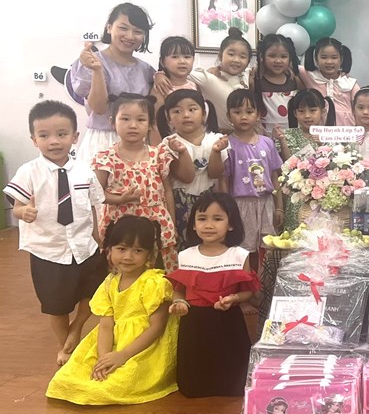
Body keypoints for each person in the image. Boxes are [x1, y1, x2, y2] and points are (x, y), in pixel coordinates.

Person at [6, 101, 107, 365]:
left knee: (95, 293)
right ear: (34, 139)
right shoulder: (28, 171)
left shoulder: (84, 171)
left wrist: (98, 237)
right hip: (49, 251)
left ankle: (77, 328)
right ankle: (66, 347)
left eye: (62, 134)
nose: (54, 141)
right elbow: (16, 207)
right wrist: (23, 212)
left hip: (84, 246)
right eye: (44, 135)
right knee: (56, 305)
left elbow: (94, 205)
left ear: (75, 136)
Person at [46, 215, 179, 405]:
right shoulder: (109, 284)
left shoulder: (154, 282)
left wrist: (122, 355)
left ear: (150, 255)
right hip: (115, 342)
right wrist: (104, 359)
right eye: (121, 249)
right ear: (109, 251)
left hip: (145, 347)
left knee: (118, 383)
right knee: (67, 378)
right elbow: (106, 326)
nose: (128, 257)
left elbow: (157, 328)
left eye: (138, 250)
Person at [166, 193, 258, 397]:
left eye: (217, 219)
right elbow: (179, 290)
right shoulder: (185, 256)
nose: (209, 225)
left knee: (232, 379)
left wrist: (234, 299)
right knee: (194, 380)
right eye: (202, 218)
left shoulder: (239, 255)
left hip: (228, 322)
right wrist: (179, 303)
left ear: (231, 224)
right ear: (193, 224)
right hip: (194, 324)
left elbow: (248, 291)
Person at [92, 94, 185, 270]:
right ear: (113, 122)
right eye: (125, 119)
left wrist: (171, 223)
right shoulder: (106, 157)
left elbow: (167, 191)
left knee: (156, 272)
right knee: (123, 271)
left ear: (150, 124)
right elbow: (95, 194)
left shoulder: (159, 154)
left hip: (156, 225)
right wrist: (119, 199)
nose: (133, 125)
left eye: (141, 119)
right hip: (120, 226)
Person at [69, 2, 156, 165]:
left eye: (138, 31)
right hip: (103, 140)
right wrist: (97, 70)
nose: (130, 36)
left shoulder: (147, 70)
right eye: (123, 28)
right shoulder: (91, 62)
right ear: (109, 28)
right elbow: (99, 108)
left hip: (138, 142)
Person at [207, 89, 284, 266]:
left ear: (258, 115)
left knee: (268, 247)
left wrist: (279, 207)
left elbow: (275, 176)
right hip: (240, 205)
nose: (243, 117)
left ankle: (264, 280)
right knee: (243, 249)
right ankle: (246, 280)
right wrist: (227, 210)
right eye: (237, 112)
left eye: (249, 112)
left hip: (266, 203)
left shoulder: (267, 143)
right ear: (228, 115)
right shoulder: (228, 145)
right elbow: (224, 179)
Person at [157, 89, 222, 247]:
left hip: (209, 199)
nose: (186, 115)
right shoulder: (168, 144)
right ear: (168, 117)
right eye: (177, 111)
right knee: (185, 245)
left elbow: (215, 173)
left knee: (210, 243)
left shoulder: (216, 139)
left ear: (204, 114)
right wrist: (182, 152)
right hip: (181, 202)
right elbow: (187, 177)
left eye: (192, 109)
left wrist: (216, 152)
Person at [157, 29, 252, 133]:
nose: (236, 60)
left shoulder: (248, 75)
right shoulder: (207, 78)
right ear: (220, 55)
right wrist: (159, 74)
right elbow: (181, 72)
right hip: (182, 137)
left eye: (243, 56)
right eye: (231, 54)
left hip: (236, 134)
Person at [276, 89, 335, 231]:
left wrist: (323, 144)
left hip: (324, 196)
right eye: (301, 111)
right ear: (295, 113)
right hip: (297, 197)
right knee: (295, 235)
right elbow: (287, 165)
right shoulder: (288, 135)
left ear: (322, 111)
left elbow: (336, 166)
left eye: (313, 110)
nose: (307, 116)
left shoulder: (331, 135)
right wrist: (282, 141)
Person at [299, 37, 359, 127]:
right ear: (316, 59)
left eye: (334, 57)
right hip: (319, 129)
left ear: (341, 59)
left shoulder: (350, 83)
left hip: (346, 129)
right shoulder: (309, 75)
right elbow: (289, 65)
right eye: (324, 57)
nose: (329, 62)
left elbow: (360, 107)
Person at [251, 33, 303, 132]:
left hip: (292, 134)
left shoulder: (294, 79)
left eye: (283, 56)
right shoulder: (256, 79)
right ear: (262, 56)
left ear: (290, 58)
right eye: (272, 56)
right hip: (264, 134)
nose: (278, 61)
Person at [151, 36, 198, 115]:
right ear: (162, 61)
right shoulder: (161, 87)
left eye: (187, 57)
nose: (182, 61)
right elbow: (157, 118)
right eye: (175, 57)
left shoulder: (194, 85)